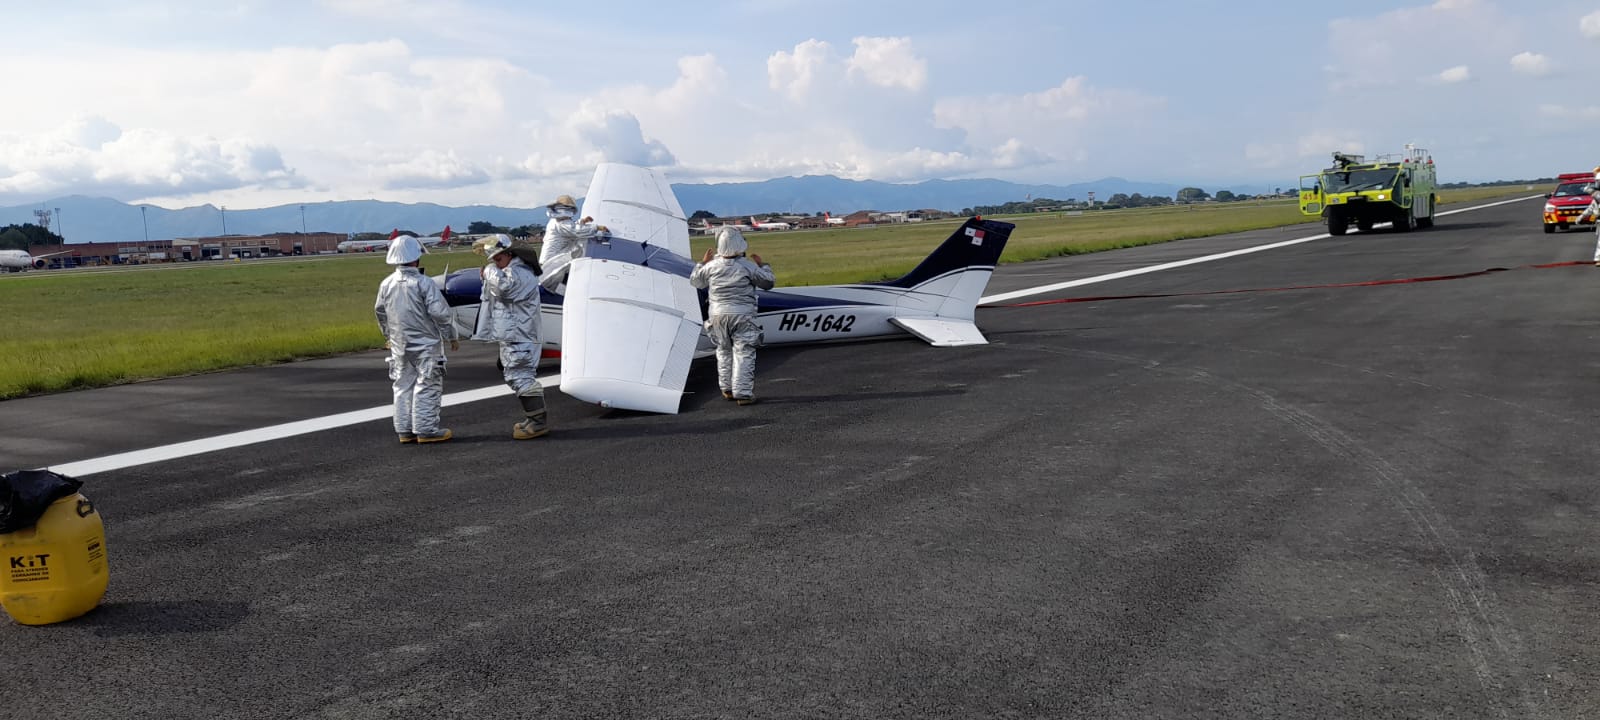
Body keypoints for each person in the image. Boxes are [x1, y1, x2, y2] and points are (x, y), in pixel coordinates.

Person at [374, 235, 457, 443]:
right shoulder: (423, 283)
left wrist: (388, 337)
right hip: (427, 345)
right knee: (427, 384)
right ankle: (426, 430)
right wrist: (451, 335)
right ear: (416, 258)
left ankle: (404, 430)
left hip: (399, 345)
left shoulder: (386, 284)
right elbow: (440, 313)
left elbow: (380, 312)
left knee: (402, 385)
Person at [473, 234, 550, 439]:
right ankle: (532, 417)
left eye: (498, 260)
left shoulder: (520, 273)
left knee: (520, 376)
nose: (495, 265)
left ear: (509, 254)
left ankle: (538, 422)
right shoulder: (510, 271)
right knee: (515, 375)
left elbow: (504, 290)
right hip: (514, 333)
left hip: (521, 335)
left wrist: (489, 272)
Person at [689, 227, 775, 405]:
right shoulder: (747, 266)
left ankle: (726, 388)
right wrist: (763, 265)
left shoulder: (711, 266)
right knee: (744, 352)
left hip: (717, 316)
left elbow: (696, 281)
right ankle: (742, 392)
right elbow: (768, 283)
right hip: (742, 315)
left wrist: (701, 263)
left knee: (723, 350)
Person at [539, 194, 599, 291]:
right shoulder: (561, 223)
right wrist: (596, 228)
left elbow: (571, 228)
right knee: (565, 285)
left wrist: (582, 222)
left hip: (550, 261)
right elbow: (576, 231)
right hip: (553, 262)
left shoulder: (556, 222)